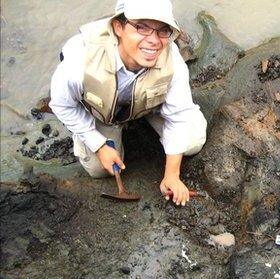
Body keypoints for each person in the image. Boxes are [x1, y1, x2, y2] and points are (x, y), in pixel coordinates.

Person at [49, 0, 207, 206]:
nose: (153, 41)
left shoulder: (172, 60)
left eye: (162, 31)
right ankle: (112, 132)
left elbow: (179, 116)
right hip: (102, 113)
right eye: (142, 27)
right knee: (99, 170)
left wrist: (172, 175)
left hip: (149, 104)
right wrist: (99, 145)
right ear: (118, 27)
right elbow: (62, 105)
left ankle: (144, 118)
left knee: (193, 141)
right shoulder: (80, 62)